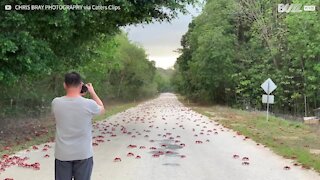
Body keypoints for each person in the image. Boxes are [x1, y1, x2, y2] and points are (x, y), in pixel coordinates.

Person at [52, 72, 105, 180]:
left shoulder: (56, 102)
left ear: (64, 85)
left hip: (63, 154)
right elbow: (102, 108)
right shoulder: (89, 104)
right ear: (81, 85)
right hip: (83, 154)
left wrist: (78, 95)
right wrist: (92, 92)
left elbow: (71, 102)